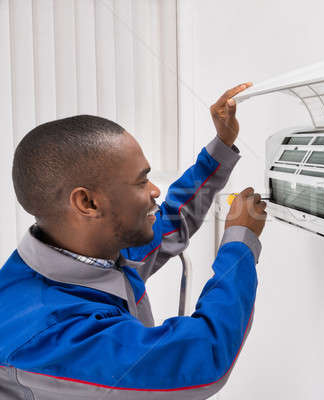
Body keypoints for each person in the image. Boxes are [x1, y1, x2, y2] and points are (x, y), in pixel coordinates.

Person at [0, 83, 266, 399]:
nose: (155, 190)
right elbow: (204, 358)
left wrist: (221, 147)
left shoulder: (95, 251)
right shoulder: (50, 335)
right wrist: (239, 244)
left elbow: (170, 223)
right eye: (141, 181)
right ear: (87, 203)